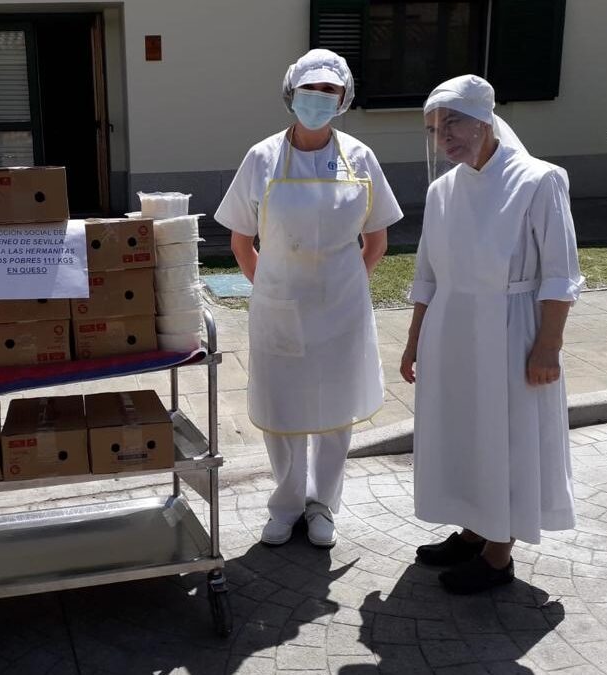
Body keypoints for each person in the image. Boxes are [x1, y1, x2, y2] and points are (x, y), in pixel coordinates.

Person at [400, 75, 584, 594]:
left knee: (506, 434)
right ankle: (474, 528)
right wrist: (414, 341)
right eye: (434, 128)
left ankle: (499, 554)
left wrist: (549, 345)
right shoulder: (443, 191)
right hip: (452, 330)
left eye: (453, 121)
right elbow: (427, 276)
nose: (444, 136)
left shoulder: (539, 180)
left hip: (513, 329)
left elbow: (559, 273)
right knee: (464, 431)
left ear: (485, 118)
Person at [215, 49, 403, 548]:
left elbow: (377, 238)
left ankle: (323, 507)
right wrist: (271, 288)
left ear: (344, 100)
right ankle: (287, 503)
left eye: (329, 93)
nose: (318, 100)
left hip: (341, 308)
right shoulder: (261, 158)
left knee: (334, 411)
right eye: (309, 91)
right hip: (280, 303)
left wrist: (346, 286)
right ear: (290, 94)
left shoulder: (360, 158)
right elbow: (240, 239)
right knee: (282, 410)